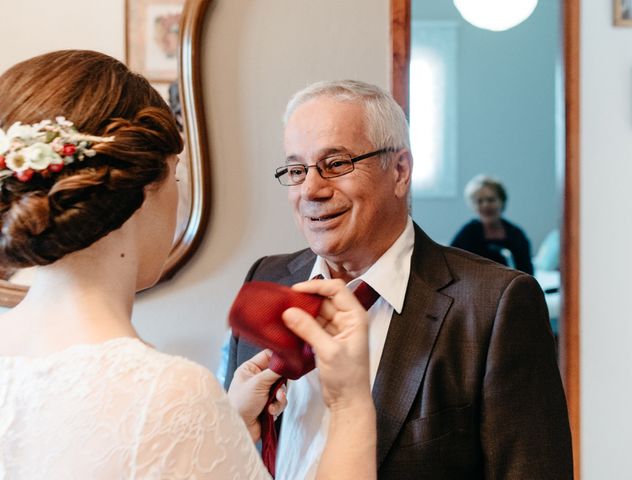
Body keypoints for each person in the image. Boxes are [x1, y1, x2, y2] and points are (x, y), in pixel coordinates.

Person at [0, 51, 376, 479]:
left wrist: (225, 428)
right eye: (175, 176)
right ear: (142, 191)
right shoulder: (166, 396)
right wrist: (350, 406)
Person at [225, 80, 573, 479]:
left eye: (336, 164)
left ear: (400, 171)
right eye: (296, 169)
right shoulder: (266, 281)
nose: (311, 189)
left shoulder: (494, 305)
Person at [451, 174, 534, 275]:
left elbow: (528, 273)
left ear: (502, 202)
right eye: (479, 201)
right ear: (473, 206)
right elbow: (450, 264)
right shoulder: (467, 233)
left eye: (491, 200)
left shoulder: (516, 234)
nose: (485, 205)